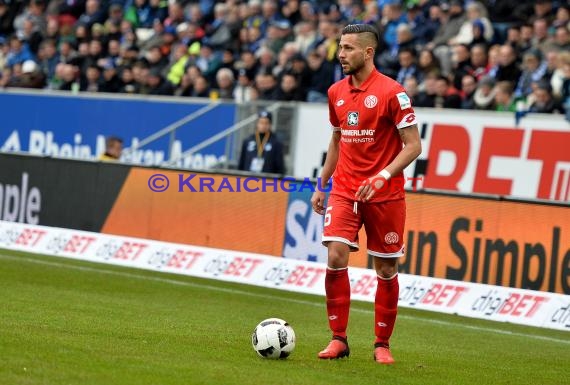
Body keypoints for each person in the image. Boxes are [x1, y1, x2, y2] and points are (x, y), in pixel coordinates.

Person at [310, 24, 421, 365]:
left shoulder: (393, 92)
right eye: (340, 47)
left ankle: (381, 344)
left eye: (347, 48)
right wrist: (322, 182)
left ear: (368, 52)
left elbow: (413, 145)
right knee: (336, 256)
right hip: (345, 189)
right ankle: (338, 339)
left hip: (385, 194)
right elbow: (337, 140)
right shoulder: (335, 92)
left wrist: (383, 175)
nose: (340, 54)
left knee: (385, 270)